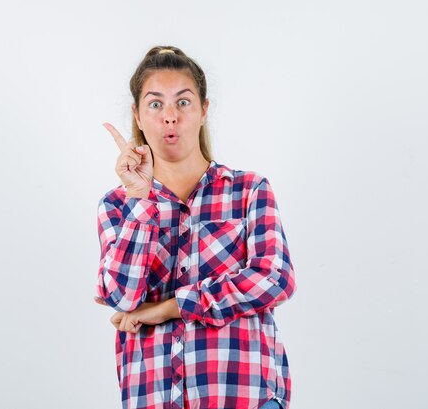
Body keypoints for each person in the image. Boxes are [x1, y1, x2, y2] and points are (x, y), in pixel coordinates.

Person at [93, 45, 296, 409]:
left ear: (203, 110)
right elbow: (122, 297)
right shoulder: (118, 205)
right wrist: (140, 199)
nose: (170, 117)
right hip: (154, 396)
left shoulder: (248, 191)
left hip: (244, 396)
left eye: (183, 102)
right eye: (155, 104)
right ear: (138, 116)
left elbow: (275, 279)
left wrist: (171, 306)